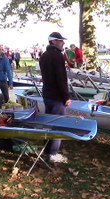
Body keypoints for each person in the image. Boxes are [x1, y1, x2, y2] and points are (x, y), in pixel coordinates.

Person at [39, 32, 71, 163]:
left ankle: (47, 151)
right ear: (53, 41)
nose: (63, 43)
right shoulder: (57, 56)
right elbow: (61, 79)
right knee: (58, 125)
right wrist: (66, 96)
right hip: (57, 96)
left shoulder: (43, 56)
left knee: (49, 123)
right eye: (60, 40)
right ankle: (52, 154)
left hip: (47, 94)